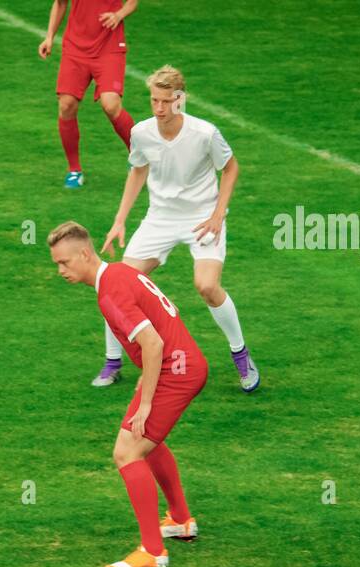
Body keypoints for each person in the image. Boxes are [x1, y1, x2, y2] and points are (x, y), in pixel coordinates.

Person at [48, 221, 207, 567]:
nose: (60, 270)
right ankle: (180, 520)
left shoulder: (111, 291)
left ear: (85, 254)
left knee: (127, 451)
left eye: (64, 262)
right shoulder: (119, 274)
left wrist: (147, 400)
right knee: (145, 441)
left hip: (175, 372)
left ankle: (153, 551)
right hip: (179, 365)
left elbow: (153, 343)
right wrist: (144, 385)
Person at [98, 65, 259, 393]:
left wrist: (217, 215)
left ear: (180, 99)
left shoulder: (204, 133)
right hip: (160, 218)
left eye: (165, 101)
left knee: (207, 286)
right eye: (153, 100)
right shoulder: (142, 132)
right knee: (117, 283)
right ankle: (113, 362)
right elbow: (137, 171)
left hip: (201, 218)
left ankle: (241, 355)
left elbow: (230, 168)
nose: (158, 108)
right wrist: (119, 220)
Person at [38, 0, 139, 188]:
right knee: (66, 105)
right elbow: (60, 3)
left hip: (110, 46)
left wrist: (119, 15)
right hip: (75, 47)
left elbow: (133, 2)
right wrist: (49, 37)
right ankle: (74, 171)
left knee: (111, 104)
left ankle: (139, 157)